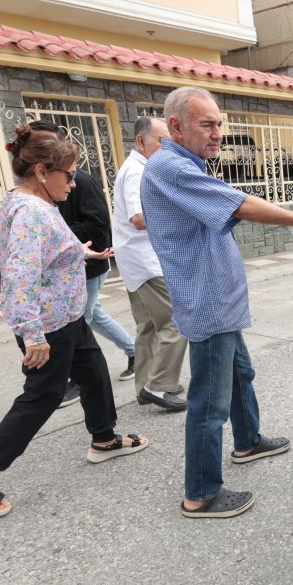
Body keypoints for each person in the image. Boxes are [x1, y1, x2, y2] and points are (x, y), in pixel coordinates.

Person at [140, 86, 293, 519]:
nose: (218, 132)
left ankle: (248, 441)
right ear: (178, 127)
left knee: (240, 373)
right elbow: (239, 205)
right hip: (207, 302)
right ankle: (200, 493)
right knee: (209, 400)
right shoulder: (171, 167)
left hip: (220, 298)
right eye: (208, 124)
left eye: (220, 123)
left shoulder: (186, 162)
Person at [0, 121, 148, 520]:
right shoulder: (32, 212)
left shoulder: (27, 202)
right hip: (48, 326)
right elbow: (20, 278)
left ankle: (103, 439)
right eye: (68, 175)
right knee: (43, 397)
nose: (73, 183)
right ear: (41, 171)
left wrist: (81, 253)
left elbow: (43, 256)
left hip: (66, 317)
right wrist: (33, 336)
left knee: (96, 372)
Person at [112, 116, 187, 412]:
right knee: (175, 322)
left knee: (148, 327)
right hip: (147, 263)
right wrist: (181, 212)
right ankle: (159, 386)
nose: (166, 148)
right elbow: (139, 218)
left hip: (135, 261)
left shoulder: (138, 168)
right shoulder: (137, 172)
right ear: (141, 141)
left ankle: (146, 384)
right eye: (161, 141)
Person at [56, 167, 137, 408]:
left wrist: (57, 234)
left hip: (89, 266)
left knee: (79, 324)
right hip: (71, 267)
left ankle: (81, 377)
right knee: (93, 316)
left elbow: (98, 223)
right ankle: (135, 353)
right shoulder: (43, 185)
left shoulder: (80, 180)